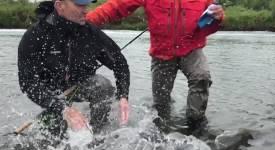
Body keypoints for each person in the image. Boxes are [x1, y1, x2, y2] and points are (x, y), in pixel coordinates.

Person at [85, 0, 224, 137]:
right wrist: (85, 21)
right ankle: (163, 131)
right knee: (160, 106)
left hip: (192, 49)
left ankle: (195, 123)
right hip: (162, 54)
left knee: (201, 76)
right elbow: (117, 6)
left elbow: (208, 27)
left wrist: (218, 19)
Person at [18, 0, 130, 137]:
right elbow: (27, 83)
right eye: (80, 5)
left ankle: (97, 135)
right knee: (53, 138)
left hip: (79, 85)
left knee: (103, 85)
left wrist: (123, 96)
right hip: (51, 93)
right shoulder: (35, 36)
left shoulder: (91, 32)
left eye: (86, 5)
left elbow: (120, 63)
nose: (86, 10)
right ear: (60, 6)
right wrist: (63, 108)